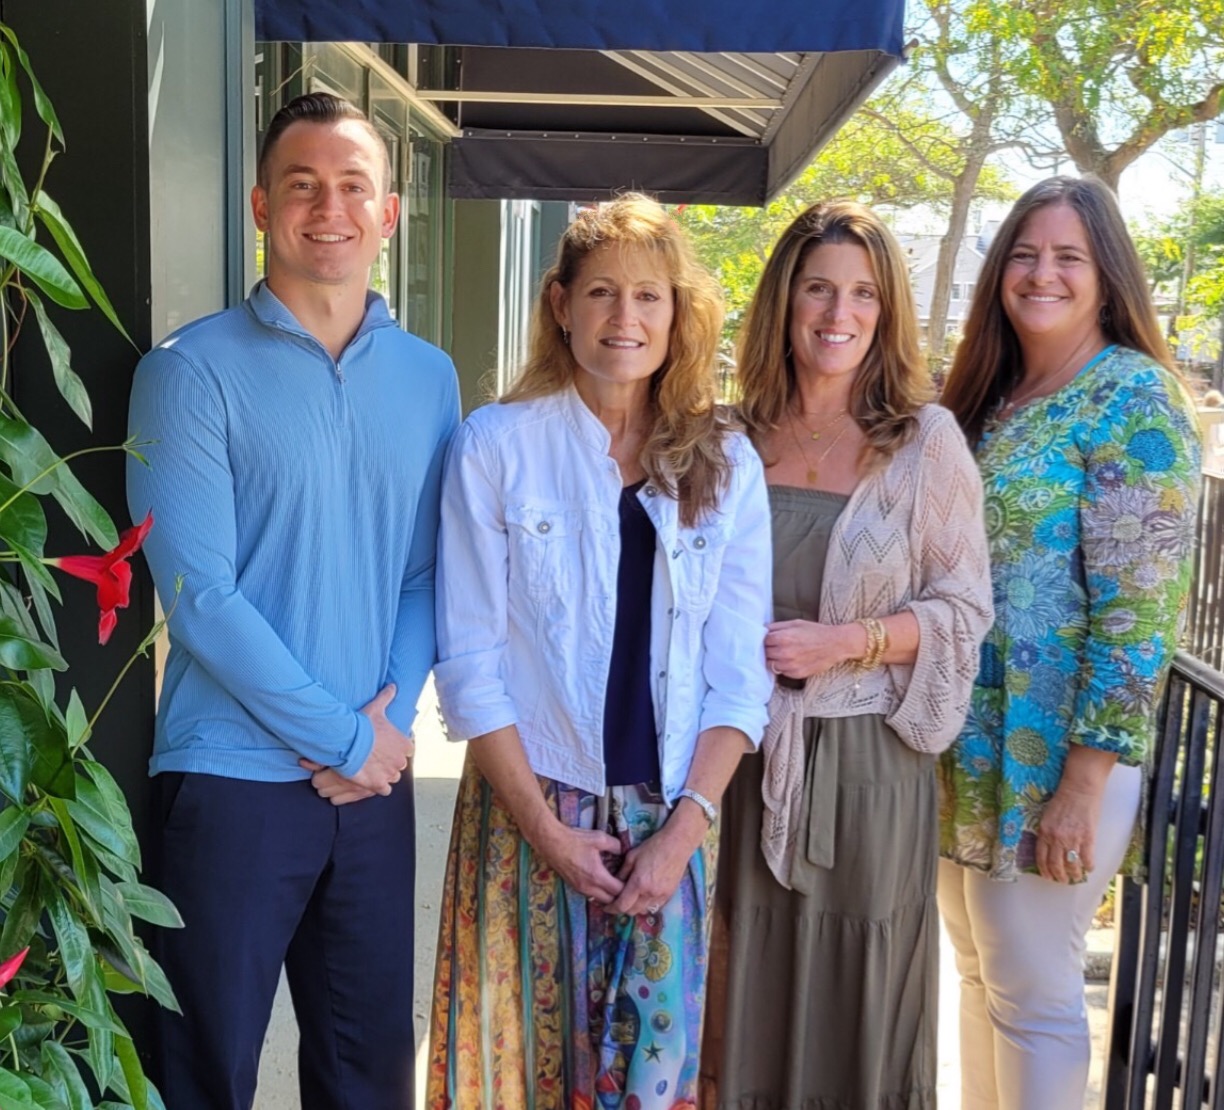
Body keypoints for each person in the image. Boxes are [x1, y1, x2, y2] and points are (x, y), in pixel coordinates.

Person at [127, 92, 459, 1110]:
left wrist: (387, 726)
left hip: (371, 780)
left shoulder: (430, 377)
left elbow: (425, 574)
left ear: (389, 213)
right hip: (230, 783)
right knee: (203, 1074)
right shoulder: (188, 373)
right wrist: (345, 739)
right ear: (262, 205)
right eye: (304, 185)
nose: (331, 207)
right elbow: (201, 594)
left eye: (354, 185)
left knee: (367, 1079)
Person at [425, 195, 773, 1108]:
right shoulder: (496, 446)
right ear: (560, 304)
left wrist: (679, 839)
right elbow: (469, 665)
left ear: (678, 313)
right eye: (604, 293)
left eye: (650, 297)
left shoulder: (728, 462)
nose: (627, 319)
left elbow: (741, 678)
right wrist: (546, 830)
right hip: (529, 809)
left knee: (649, 1091)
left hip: (672, 820)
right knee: (519, 1080)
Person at [699, 199, 994, 1109]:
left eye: (863, 293)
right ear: (784, 302)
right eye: (819, 289)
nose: (839, 313)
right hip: (735, 764)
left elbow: (963, 606)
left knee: (856, 997)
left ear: (887, 309)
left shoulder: (923, 442)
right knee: (733, 976)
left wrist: (849, 642)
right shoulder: (723, 436)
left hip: (866, 772)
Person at [937, 175, 1201, 1110]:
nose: (1040, 273)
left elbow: (1139, 616)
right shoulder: (993, 397)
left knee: (1037, 996)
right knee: (980, 980)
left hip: (1056, 760)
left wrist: (1082, 786)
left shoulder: (1132, 398)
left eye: (1067, 257)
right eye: (1023, 253)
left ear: (1105, 276)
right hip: (967, 746)